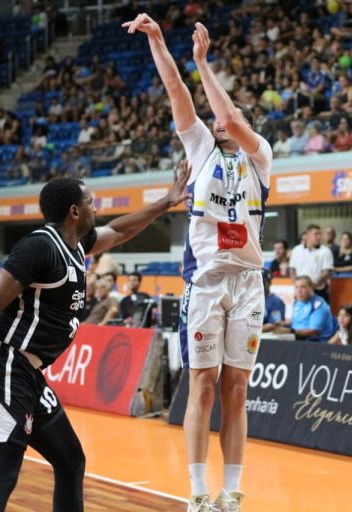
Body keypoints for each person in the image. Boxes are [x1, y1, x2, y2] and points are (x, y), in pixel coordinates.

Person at [0, 171, 190, 512]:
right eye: (90, 202)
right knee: (1, 475)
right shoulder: (39, 247)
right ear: (74, 211)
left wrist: (166, 202)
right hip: (3, 366)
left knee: (71, 460)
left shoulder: (77, 246)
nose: (95, 208)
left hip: (29, 374)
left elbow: (120, 230)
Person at [124, 14, 272, 511]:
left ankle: (231, 492)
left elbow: (228, 115)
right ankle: (197, 493)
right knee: (202, 385)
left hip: (248, 282)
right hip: (205, 283)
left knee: (237, 390)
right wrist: (159, 42)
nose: (219, 121)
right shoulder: (200, 148)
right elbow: (176, 90)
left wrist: (204, 64)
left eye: (229, 117)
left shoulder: (260, 157)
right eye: (215, 118)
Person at [279, 276, 334, 342]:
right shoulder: (297, 302)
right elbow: (296, 323)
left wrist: (290, 331)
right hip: (297, 337)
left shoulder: (317, 305)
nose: (299, 291)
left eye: (303, 287)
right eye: (296, 287)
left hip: (315, 341)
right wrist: (280, 324)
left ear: (311, 288)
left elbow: (314, 332)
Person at [288, 224, 334, 303]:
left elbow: (327, 272)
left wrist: (311, 286)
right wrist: (298, 285)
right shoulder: (297, 250)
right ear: (307, 235)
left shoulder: (325, 251)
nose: (319, 236)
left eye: (320, 234)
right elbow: (292, 270)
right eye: (316, 234)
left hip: (318, 291)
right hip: (300, 291)